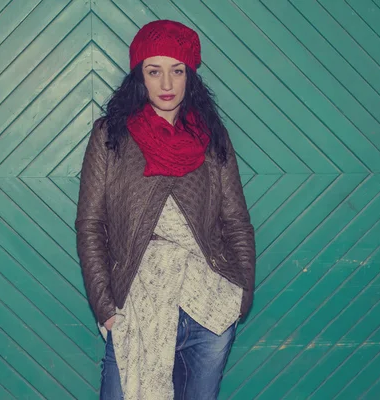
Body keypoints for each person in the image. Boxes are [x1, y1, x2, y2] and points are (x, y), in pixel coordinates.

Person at [75, 19, 256, 400]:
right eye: (154, 72)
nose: (167, 84)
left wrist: (239, 295)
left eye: (177, 71)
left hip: (209, 308)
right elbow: (91, 225)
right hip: (136, 309)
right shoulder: (110, 137)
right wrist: (105, 305)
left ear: (190, 75)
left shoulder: (211, 137)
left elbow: (236, 220)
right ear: (140, 76)